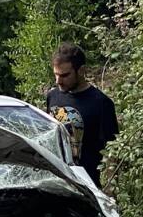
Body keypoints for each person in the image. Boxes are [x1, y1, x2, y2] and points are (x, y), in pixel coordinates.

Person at [45, 43, 118, 187]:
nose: (58, 81)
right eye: (56, 74)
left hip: (86, 185)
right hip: (55, 183)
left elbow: (113, 152)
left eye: (65, 75)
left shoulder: (101, 103)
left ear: (81, 70)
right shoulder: (52, 96)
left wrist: (110, 191)